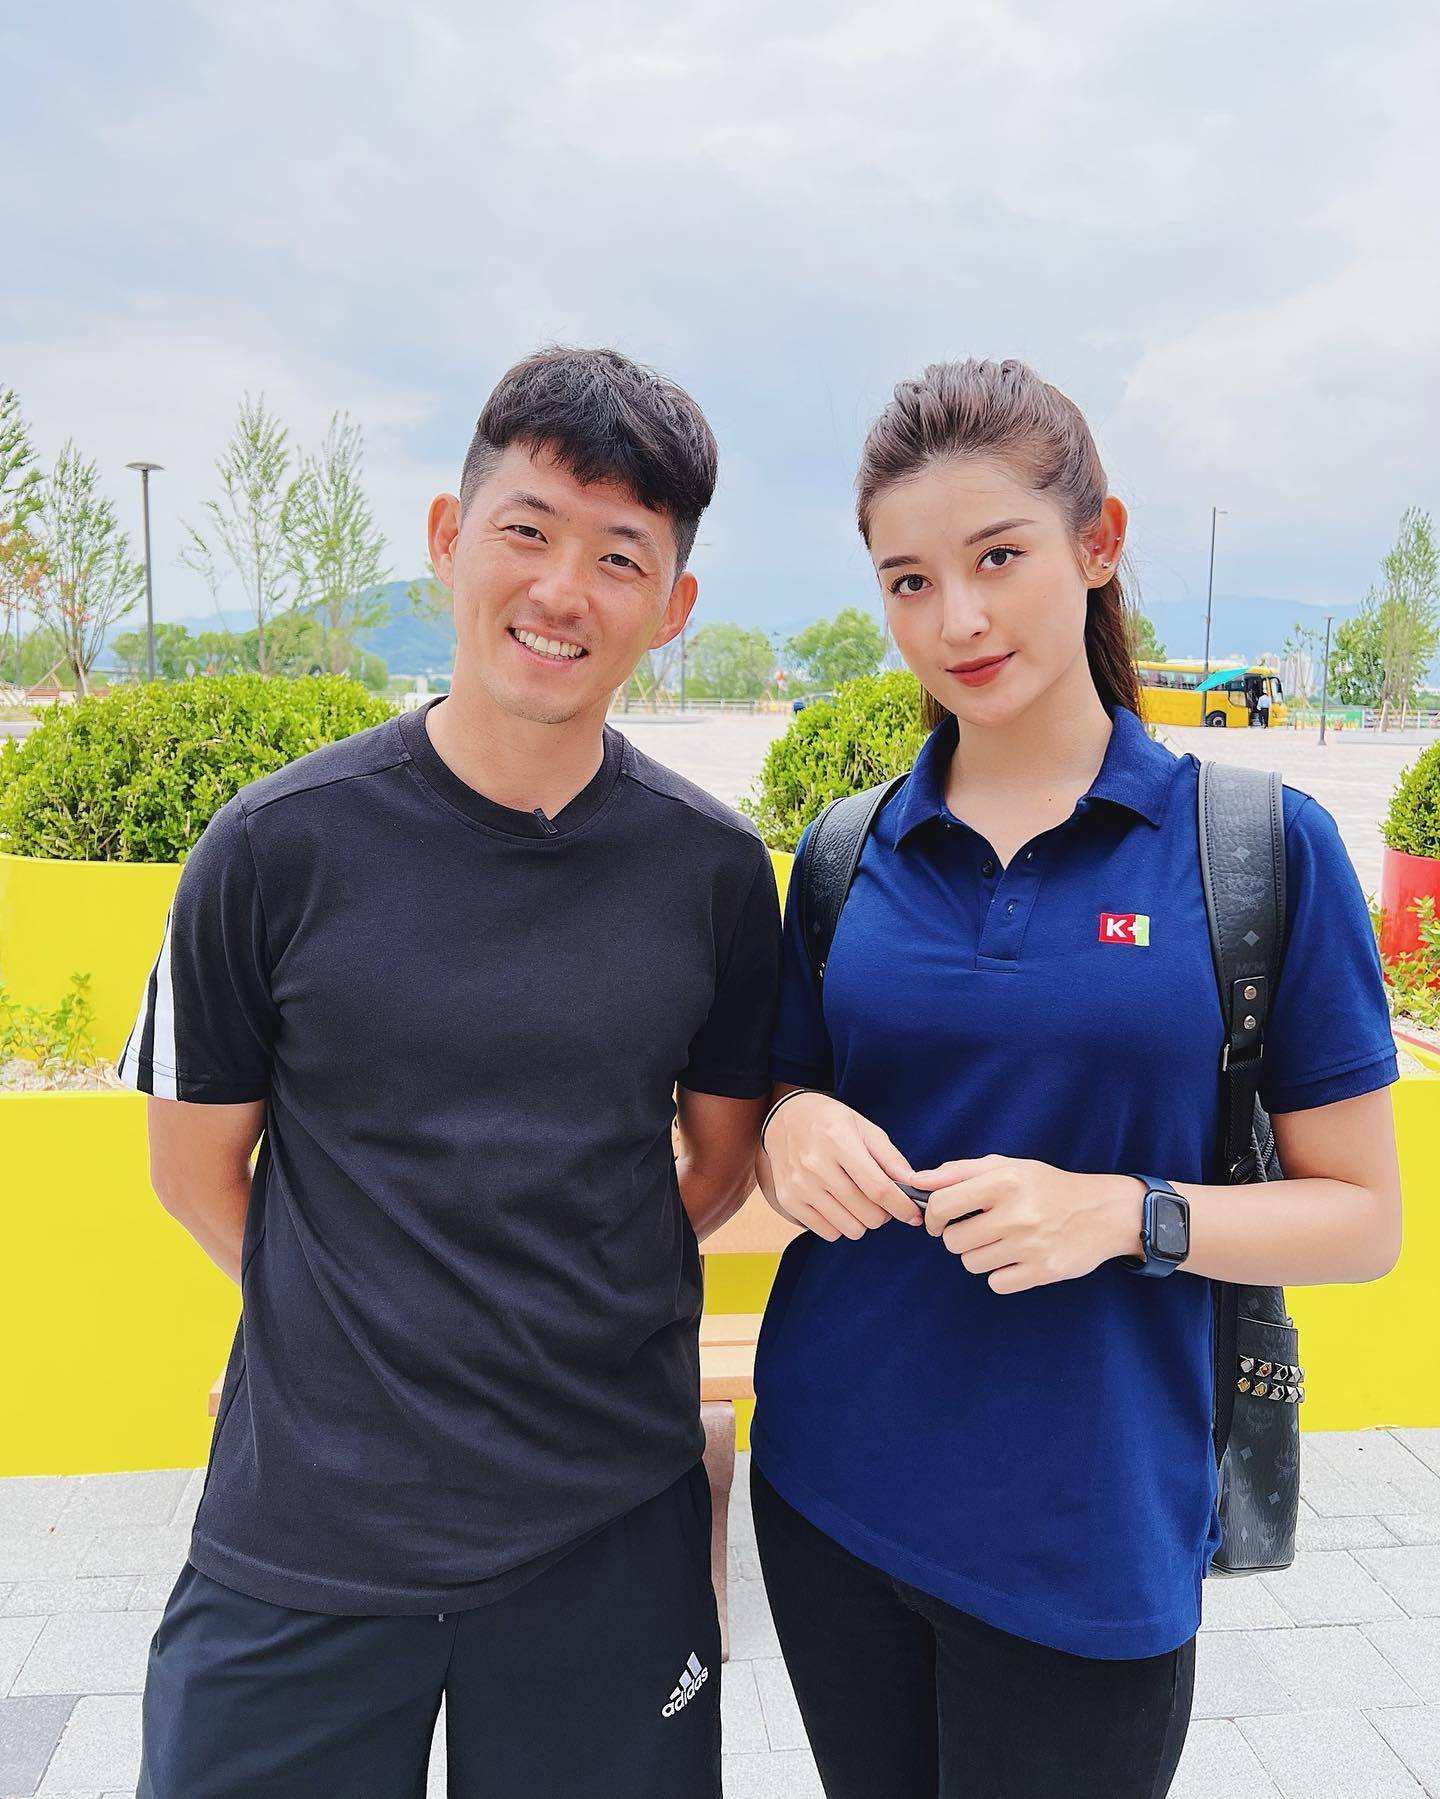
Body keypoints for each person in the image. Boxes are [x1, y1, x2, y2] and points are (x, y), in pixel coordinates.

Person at [120, 346, 781, 1799]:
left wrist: (559, 1299)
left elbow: (724, 1158)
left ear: (673, 608)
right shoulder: (271, 848)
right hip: (306, 1525)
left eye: (620, 556)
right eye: (526, 529)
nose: (561, 589)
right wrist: (366, 1321)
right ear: (446, 536)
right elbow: (192, 1169)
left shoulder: (716, 873)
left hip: (607, 1526)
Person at [749, 358, 1402, 1799]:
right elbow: (778, 1108)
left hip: (1091, 1528)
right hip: (831, 1486)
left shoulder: (1253, 848)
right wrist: (790, 1128)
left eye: (999, 557)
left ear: (1098, 543)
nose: (957, 620)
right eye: (909, 581)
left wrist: (1125, 1213)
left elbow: (1364, 1219)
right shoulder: (849, 853)